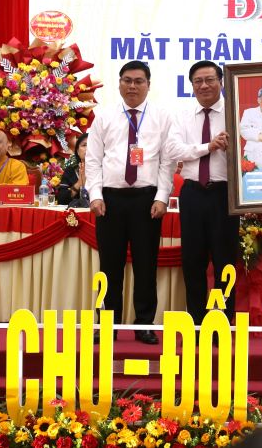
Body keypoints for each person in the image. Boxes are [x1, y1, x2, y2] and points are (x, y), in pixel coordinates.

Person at [86, 60, 174, 344]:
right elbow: (93, 159)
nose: (132, 86)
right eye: (127, 80)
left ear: (148, 84)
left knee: (146, 265)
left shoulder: (161, 116)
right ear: (120, 83)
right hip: (110, 201)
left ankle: (144, 324)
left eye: (138, 81)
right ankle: (107, 324)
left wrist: (162, 197)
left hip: (146, 200)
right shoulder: (104, 116)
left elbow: (167, 161)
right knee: (109, 266)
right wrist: (96, 195)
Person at [166, 60, 240, 325]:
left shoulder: (236, 112)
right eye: (198, 81)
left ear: (221, 82)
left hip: (225, 196)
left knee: (225, 263)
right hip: (193, 194)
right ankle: (196, 323)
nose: (204, 85)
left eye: (210, 79)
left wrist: (234, 149)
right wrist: (207, 147)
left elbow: (249, 154)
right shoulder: (182, 116)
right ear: (192, 86)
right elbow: (174, 150)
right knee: (193, 262)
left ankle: (222, 322)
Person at [56, 133, 89, 206]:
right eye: (84, 145)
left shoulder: (104, 171)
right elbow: (61, 200)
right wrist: (79, 183)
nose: (88, 148)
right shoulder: (70, 171)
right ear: (77, 151)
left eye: (92, 145)